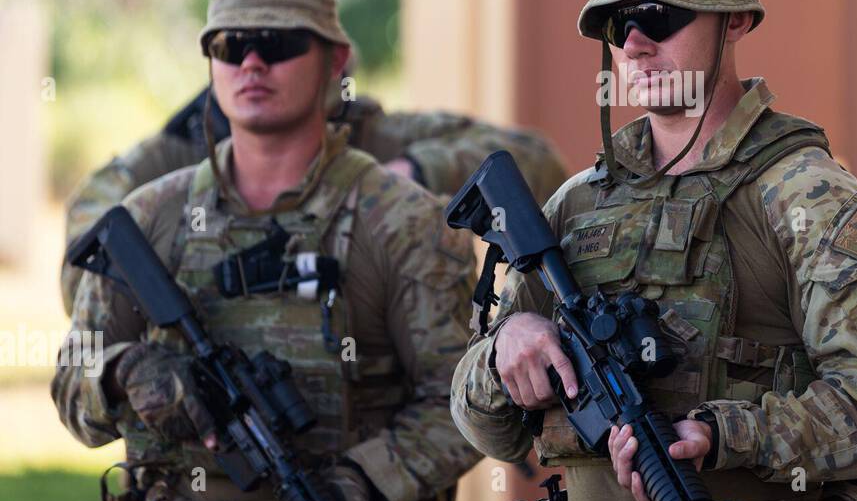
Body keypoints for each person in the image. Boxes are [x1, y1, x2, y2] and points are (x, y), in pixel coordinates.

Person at [450, 0, 857, 501]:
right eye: (618, 25)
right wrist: (504, 354)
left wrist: (725, 433)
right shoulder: (575, 208)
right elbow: (490, 433)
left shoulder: (806, 197)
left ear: (734, 21)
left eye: (657, 16)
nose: (634, 45)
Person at [52, 0, 483, 501]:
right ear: (211, 65)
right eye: (231, 45)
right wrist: (122, 372)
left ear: (335, 60)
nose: (252, 63)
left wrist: (362, 480)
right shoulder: (150, 218)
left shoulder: (403, 222)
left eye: (277, 44)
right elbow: (70, 383)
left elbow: (469, 403)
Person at [60, 54, 567, 316]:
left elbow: (536, 161)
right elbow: (83, 261)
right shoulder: (177, 153)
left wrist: (413, 172)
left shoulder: (367, 136)